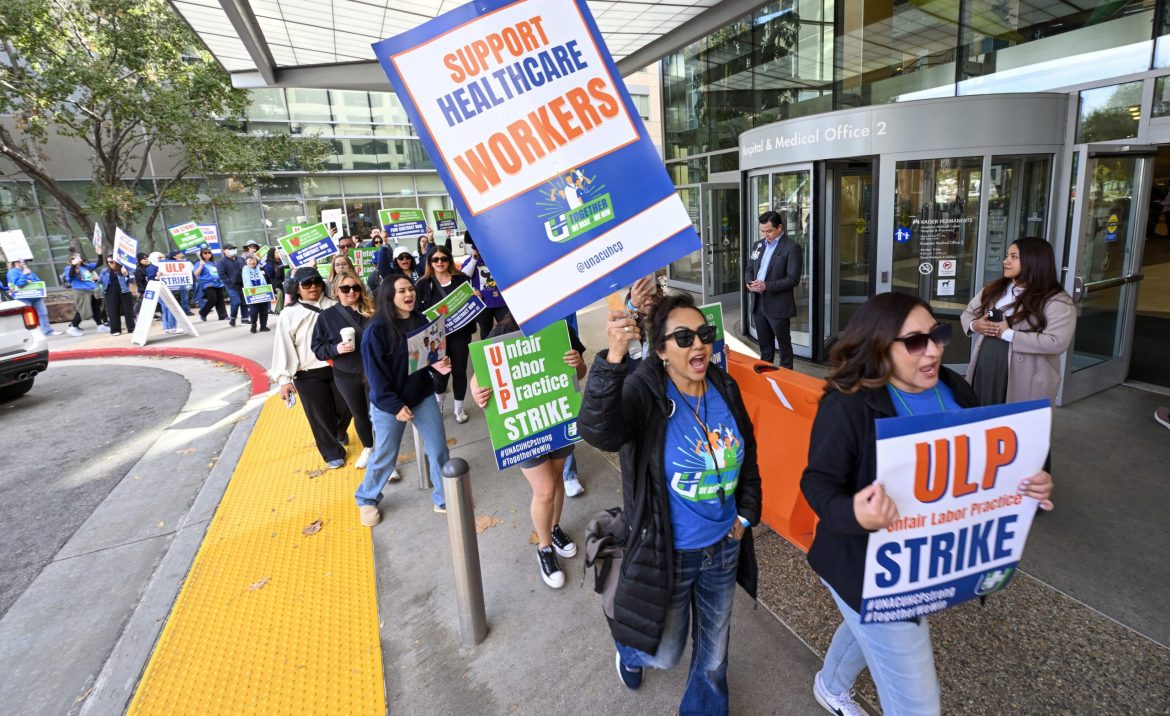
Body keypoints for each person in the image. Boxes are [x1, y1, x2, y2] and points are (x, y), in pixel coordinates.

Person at [800, 292, 1055, 716]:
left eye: (936, 334)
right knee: (917, 704)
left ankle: (830, 685)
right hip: (866, 570)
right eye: (915, 341)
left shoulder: (955, 387)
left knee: (863, 627)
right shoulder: (847, 404)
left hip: (926, 565)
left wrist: (1031, 480)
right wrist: (856, 513)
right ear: (880, 346)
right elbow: (818, 482)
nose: (934, 349)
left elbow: (982, 461)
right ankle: (832, 683)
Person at [579, 292, 762, 714]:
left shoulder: (724, 385)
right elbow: (599, 431)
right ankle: (629, 648)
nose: (698, 344)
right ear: (661, 351)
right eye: (683, 337)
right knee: (663, 653)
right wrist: (614, 354)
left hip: (723, 547)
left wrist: (747, 513)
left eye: (704, 334)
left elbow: (747, 454)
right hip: (669, 550)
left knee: (714, 657)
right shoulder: (644, 392)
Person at [471, 311, 588, 589]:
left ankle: (554, 528)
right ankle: (544, 548)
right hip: (523, 426)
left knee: (557, 480)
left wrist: (578, 363)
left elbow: (579, 372)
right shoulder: (502, 331)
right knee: (545, 488)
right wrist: (478, 393)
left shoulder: (559, 328)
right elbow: (478, 376)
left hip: (557, 416)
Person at [355, 275, 454, 524]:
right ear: (389, 297)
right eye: (402, 291)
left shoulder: (419, 319)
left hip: (421, 395)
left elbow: (424, 357)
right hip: (389, 404)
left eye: (411, 289)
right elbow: (375, 377)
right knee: (386, 454)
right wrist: (395, 406)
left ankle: (444, 498)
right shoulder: (375, 332)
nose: (409, 294)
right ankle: (367, 498)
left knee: (438, 448)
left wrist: (438, 363)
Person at [960, 237, 1076, 406]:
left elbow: (1056, 342)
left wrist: (1008, 334)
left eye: (1014, 257)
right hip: (986, 368)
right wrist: (975, 325)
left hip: (1025, 377)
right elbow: (968, 313)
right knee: (983, 419)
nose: (1006, 261)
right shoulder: (994, 288)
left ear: (1034, 261)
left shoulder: (1056, 300)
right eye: (1007, 256)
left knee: (1015, 426)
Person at [270, 266, 352, 469]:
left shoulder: (336, 305)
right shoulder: (288, 314)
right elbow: (283, 346)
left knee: (347, 406)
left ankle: (339, 431)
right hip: (308, 373)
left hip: (339, 366)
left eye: (316, 282)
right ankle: (332, 451)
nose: (313, 287)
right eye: (306, 283)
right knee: (319, 416)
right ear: (297, 288)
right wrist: (284, 381)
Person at [312, 270, 378, 471]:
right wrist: (335, 349)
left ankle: (383, 455)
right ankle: (369, 448)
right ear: (336, 291)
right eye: (345, 288)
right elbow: (317, 348)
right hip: (345, 374)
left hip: (373, 371)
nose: (351, 292)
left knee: (376, 413)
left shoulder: (372, 310)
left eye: (356, 287)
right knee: (359, 415)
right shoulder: (326, 316)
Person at [414, 244, 474, 423]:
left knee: (459, 371)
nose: (440, 262)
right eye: (435, 259)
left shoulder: (461, 279)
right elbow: (418, 311)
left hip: (460, 334)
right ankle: (439, 404)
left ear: (449, 260)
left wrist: (476, 297)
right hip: (436, 338)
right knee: (440, 375)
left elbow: (470, 304)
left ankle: (459, 409)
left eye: (444, 259)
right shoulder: (423, 284)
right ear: (430, 262)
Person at [745, 210, 803, 369]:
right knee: (765, 347)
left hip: (778, 305)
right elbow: (750, 268)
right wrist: (749, 283)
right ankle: (766, 378)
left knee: (784, 348)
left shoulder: (792, 248)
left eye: (769, 231)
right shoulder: (758, 245)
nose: (765, 235)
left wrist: (766, 286)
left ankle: (786, 381)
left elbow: (793, 279)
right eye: (762, 231)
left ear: (779, 228)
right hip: (758, 303)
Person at [459, 234, 507, 338]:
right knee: (486, 332)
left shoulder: (499, 257)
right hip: (484, 303)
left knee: (506, 329)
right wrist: (474, 259)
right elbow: (463, 276)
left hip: (501, 302)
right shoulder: (471, 260)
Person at [5, 259, 62, 336]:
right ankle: (29, 333)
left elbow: (38, 281)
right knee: (27, 316)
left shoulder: (28, 270)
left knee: (43, 313)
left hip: (36, 297)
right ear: (16, 262)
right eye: (23, 262)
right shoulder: (12, 272)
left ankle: (48, 331)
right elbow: (19, 285)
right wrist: (24, 275)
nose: (25, 263)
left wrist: (29, 279)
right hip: (23, 298)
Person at [62, 253, 106, 336]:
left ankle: (100, 326)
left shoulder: (85, 267)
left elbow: (99, 263)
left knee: (95, 308)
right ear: (71, 260)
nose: (78, 258)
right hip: (81, 291)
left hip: (91, 290)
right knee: (83, 309)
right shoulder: (69, 268)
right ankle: (73, 327)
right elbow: (71, 276)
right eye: (75, 257)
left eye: (79, 257)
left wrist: (99, 254)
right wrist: (73, 265)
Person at [148, 251, 183, 335]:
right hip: (159, 290)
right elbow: (151, 280)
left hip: (165, 289)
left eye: (162, 257)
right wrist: (157, 276)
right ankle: (172, 327)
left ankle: (167, 328)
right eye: (159, 258)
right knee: (170, 307)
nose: (162, 259)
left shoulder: (162, 266)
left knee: (166, 308)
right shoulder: (152, 268)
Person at [99, 257, 135, 335]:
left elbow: (132, 280)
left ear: (116, 262)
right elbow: (101, 281)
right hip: (110, 292)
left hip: (124, 291)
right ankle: (115, 330)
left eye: (111, 262)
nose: (109, 264)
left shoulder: (124, 269)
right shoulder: (104, 271)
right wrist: (96, 279)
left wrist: (126, 274)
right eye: (108, 262)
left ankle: (131, 328)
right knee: (113, 311)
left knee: (128, 311)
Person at [216, 244, 249, 327]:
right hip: (232, 286)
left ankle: (245, 318)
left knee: (244, 302)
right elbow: (222, 275)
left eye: (234, 248)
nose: (233, 250)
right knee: (236, 302)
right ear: (225, 251)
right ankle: (233, 318)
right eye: (230, 249)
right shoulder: (221, 262)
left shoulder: (241, 259)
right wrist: (229, 283)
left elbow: (246, 270)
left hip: (243, 285)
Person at [194, 247, 227, 321]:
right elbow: (196, 274)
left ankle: (223, 316)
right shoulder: (198, 263)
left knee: (220, 300)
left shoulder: (214, 263)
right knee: (212, 299)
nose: (207, 254)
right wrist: (201, 266)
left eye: (209, 252)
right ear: (201, 254)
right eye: (205, 253)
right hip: (207, 284)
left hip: (218, 283)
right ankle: (203, 313)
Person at [242, 253, 270, 333]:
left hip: (263, 292)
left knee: (264, 310)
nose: (252, 262)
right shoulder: (244, 270)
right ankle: (253, 325)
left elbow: (267, 278)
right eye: (249, 260)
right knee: (254, 310)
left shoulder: (261, 269)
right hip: (251, 294)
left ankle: (263, 326)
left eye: (253, 260)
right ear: (246, 262)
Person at [168, 249, 194, 315]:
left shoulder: (185, 261)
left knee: (185, 297)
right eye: (179, 253)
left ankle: (186, 310)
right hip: (173, 283)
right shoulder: (168, 263)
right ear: (174, 256)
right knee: (170, 297)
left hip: (183, 282)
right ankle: (172, 311)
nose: (181, 253)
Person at [263, 247, 286, 315]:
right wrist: (276, 287)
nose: (279, 254)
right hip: (274, 285)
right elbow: (270, 278)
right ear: (272, 254)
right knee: (280, 292)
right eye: (276, 252)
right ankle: (279, 309)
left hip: (283, 282)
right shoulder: (268, 265)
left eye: (279, 252)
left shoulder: (282, 262)